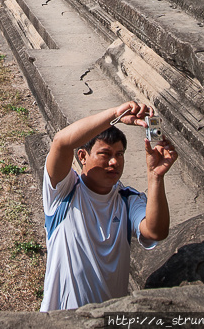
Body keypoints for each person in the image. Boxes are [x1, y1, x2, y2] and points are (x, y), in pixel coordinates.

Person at [40, 100, 178, 311]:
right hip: (61, 318)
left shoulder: (128, 199)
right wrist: (115, 114)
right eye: (105, 154)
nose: (114, 162)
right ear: (82, 156)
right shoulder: (64, 191)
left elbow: (155, 232)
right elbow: (61, 142)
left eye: (119, 155)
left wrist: (155, 177)